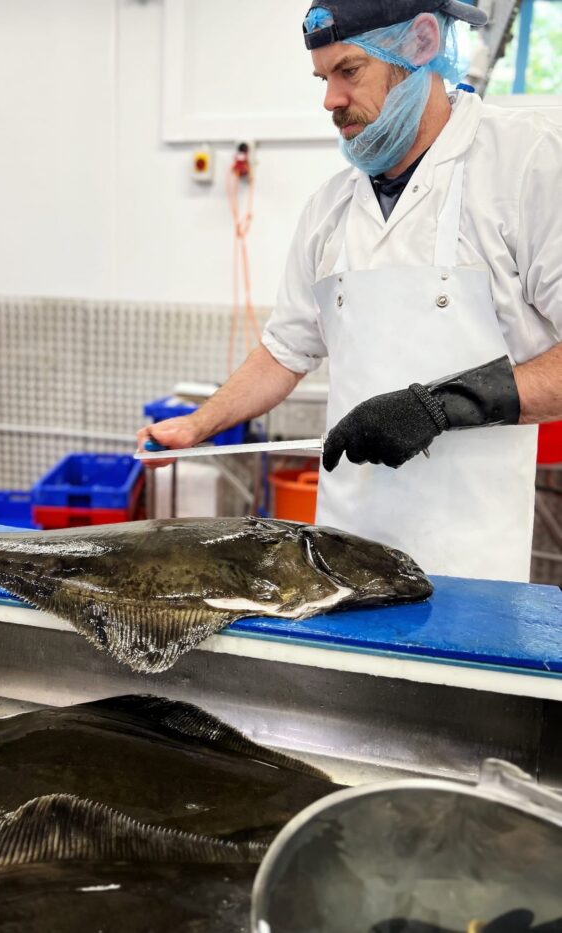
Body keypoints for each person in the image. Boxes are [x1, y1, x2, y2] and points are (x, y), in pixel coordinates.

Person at [137, 0, 562, 582]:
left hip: (469, 563)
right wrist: (197, 425)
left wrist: (438, 407)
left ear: (420, 44)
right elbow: (286, 351)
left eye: (349, 71)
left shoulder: (525, 164)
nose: (329, 100)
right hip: (341, 556)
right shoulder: (331, 209)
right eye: (322, 78)